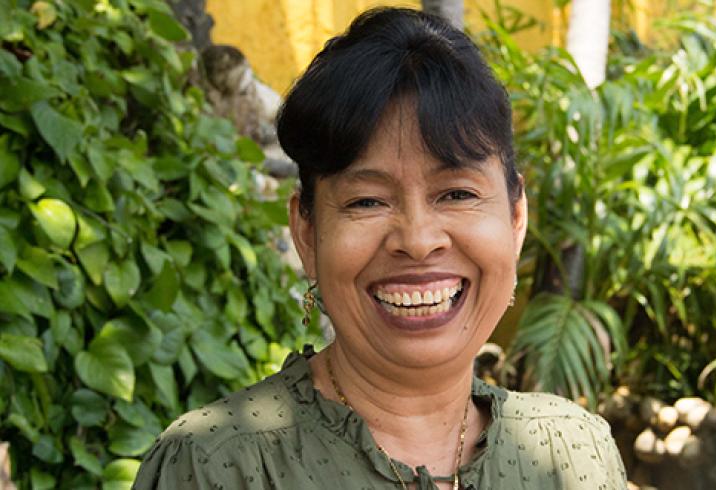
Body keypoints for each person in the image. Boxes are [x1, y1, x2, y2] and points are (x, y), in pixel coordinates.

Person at [133, 7, 626, 489]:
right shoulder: (217, 467)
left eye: (457, 194)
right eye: (367, 201)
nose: (418, 241)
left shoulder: (574, 455)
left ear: (516, 219)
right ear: (306, 232)